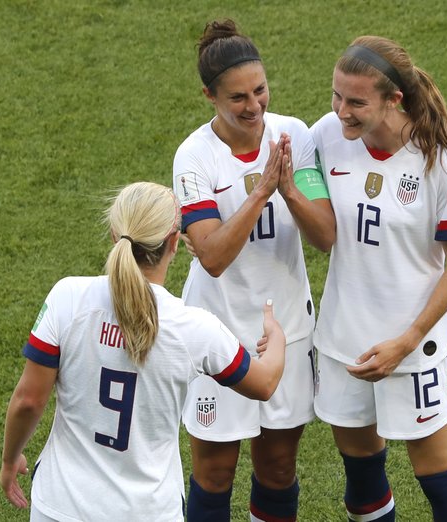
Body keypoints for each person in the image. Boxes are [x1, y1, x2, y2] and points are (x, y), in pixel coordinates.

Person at [0, 182, 287, 521]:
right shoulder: (193, 328)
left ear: (113, 234)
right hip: (148, 511)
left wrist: (9, 459)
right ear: (174, 243)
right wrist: (277, 338)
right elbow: (265, 383)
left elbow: (29, 401)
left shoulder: (68, 298)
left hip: (61, 506)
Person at [310, 36, 447, 522]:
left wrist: (406, 341)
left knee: (439, 479)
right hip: (345, 341)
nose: (342, 110)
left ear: (393, 100)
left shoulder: (442, 168)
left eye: (356, 102)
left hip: (415, 346)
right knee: (361, 476)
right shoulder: (325, 135)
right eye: (336, 96)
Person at [172, 19, 335, 522]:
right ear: (209, 96)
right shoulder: (194, 157)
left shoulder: (296, 136)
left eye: (260, 90)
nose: (254, 106)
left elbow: (326, 236)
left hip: (287, 327)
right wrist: (263, 189)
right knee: (215, 473)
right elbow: (213, 257)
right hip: (217, 327)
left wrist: (288, 190)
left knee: (279, 467)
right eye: (238, 97)